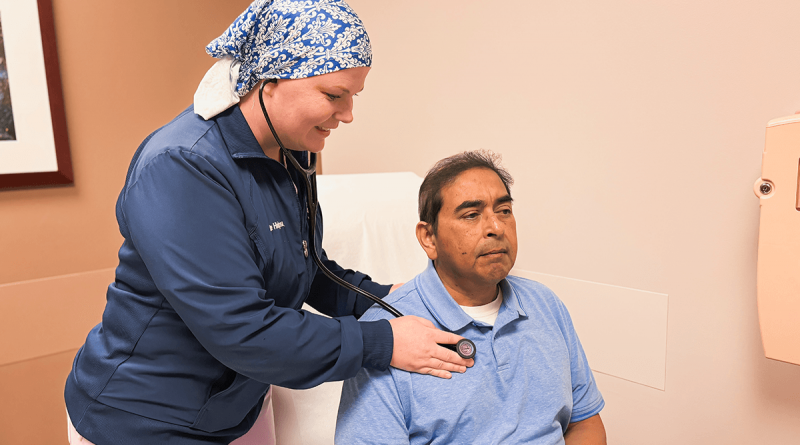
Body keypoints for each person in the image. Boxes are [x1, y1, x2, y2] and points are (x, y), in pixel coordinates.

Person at [63, 1, 472, 444]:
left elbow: (306, 264)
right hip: (144, 419)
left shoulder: (290, 152)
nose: (348, 114)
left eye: (354, 96)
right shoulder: (182, 166)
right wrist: (384, 342)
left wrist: (389, 299)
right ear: (270, 81)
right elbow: (241, 329)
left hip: (234, 407)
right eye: (334, 95)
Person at [336, 151, 607, 444]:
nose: (496, 228)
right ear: (429, 238)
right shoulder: (387, 334)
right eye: (471, 215)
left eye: (504, 210)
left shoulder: (545, 304)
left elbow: (585, 422)